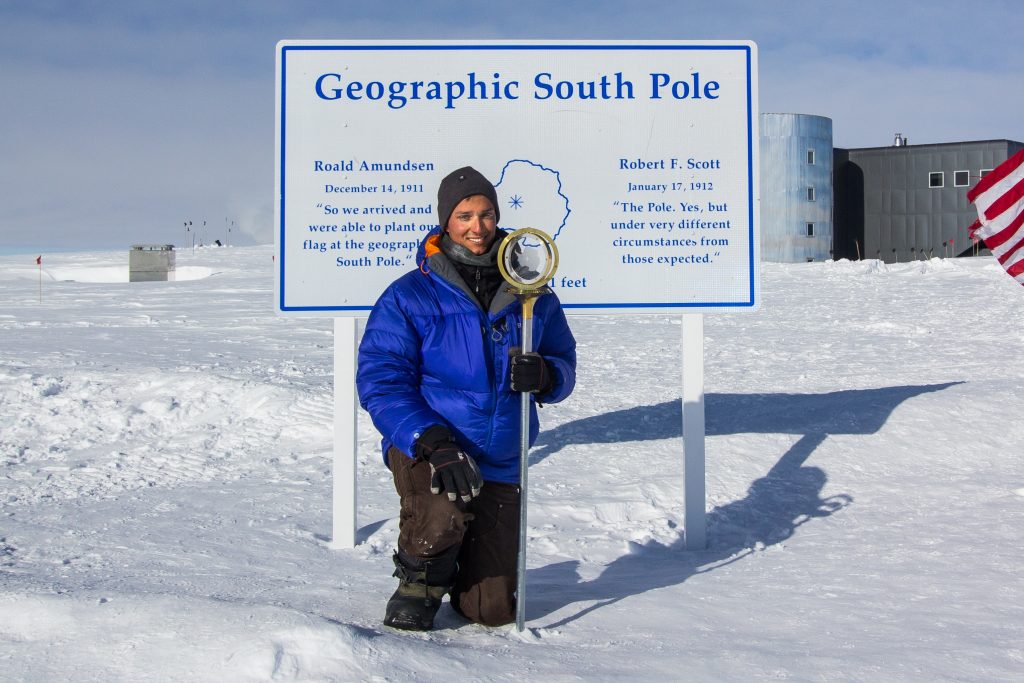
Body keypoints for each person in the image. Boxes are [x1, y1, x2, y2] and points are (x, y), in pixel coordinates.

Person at [357, 166, 577, 630]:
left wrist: (546, 375)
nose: (478, 228)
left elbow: (564, 363)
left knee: (491, 611)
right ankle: (420, 580)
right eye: (464, 216)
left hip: (500, 456)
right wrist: (432, 441)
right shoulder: (409, 295)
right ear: (446, 221)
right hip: (432, 448)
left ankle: (463, 567)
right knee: (441, 513)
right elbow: (381, 380)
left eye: (486, 214)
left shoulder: (531, 293)